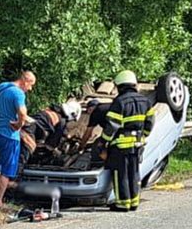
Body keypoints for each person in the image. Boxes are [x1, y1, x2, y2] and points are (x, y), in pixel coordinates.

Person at [96, 70, 155, 212]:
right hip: (137, 144)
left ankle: (122, 204)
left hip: (121, 145)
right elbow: (150, 122)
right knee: (134, 173)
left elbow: (112, 125)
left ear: (120, 86)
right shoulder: (145, 101)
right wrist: (143, 135)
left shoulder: (120, 102)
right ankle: (134, 202)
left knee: (120, 174)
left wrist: (103, 142)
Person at [0, 70, 36, 207]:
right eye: (30, 85)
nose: (30, 89)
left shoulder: (2, 86)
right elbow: (23, 114)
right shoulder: (18, 93)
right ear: (25, 81)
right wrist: (18, 125)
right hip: (10, 136)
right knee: (6, 171)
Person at [19, 101, 82, 169]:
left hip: (19, 131)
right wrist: (57, 152)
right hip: (28, 136)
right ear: (72, 114)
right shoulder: (61, 122)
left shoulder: (48, 111)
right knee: (19, 164)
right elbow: (50, 146)